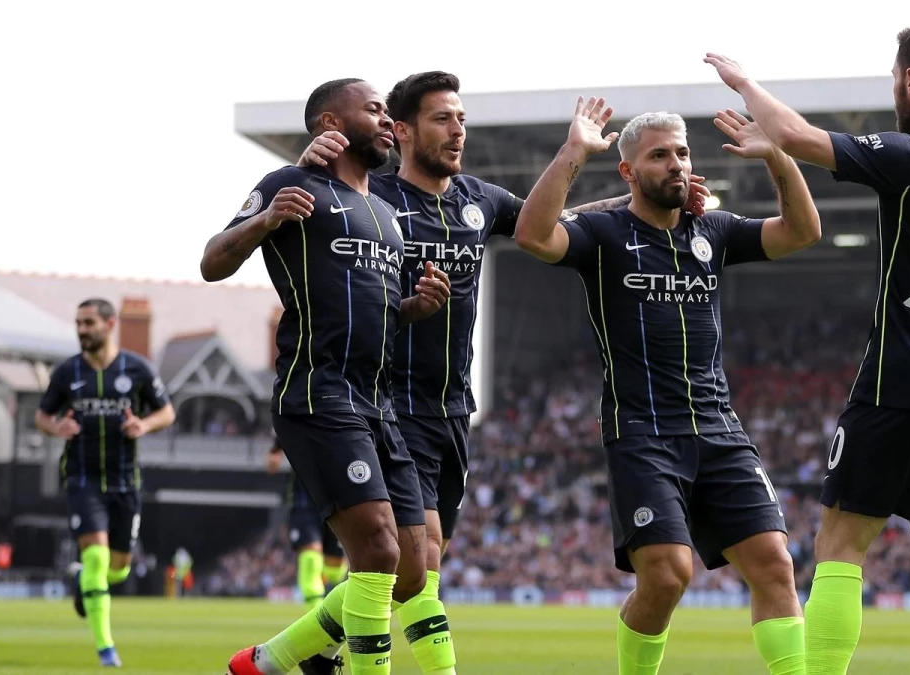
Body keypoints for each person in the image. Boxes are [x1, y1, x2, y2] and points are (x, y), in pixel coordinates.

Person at [295, 70, 710, 675]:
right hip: (388, 400)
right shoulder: (370, 198)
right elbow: (313, 227)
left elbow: (553, 223)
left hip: (453, 410)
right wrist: (311, 164)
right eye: (443, 118)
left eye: (462, 118)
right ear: (402, 130)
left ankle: (287, 656)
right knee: (418, 560)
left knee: (413, 567)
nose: (458, 129)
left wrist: (643, 202)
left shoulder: (478, 200)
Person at [704, 20, 910, 675]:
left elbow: (797, 136)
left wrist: (742, 82)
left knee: (842, 544)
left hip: (901, 378)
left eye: (894, 76)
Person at [513, 96, 821, 674]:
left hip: (719, 429)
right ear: (628, 171)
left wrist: (777, 153)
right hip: (644, 434)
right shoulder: (602, 234)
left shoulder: (714, 230)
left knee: (775, 564)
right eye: (659, 156)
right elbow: (533, 234)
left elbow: (803, 231)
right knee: (667, 575)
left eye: (682, 153)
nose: (677, 164)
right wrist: (575, 150)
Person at [200, 77, 451, 675]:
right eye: (374, 110)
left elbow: (376, 311)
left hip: (379, 405)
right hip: (319, 394)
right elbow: (211, 261)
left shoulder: (387, 214)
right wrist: (262, 224)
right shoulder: (291, 185)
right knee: (379, 552)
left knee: (414, 570)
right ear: (328, 124)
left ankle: (270, 662)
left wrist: (413, 307)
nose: (388, 121)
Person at [36, 297, 176, 667]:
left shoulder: (138, 369)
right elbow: (42, 415)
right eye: (78, 323)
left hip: (125, 481)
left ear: (110, 324)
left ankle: (84, 579)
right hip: (82, 478)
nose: (82, 330)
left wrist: (143, 425)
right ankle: (106, 649)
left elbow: (167, 411)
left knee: (119, 568)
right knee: (96, 554)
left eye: (88, 323)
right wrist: (56, 427)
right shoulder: (67, 373)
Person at [267, 438, 348, 608]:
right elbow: (281, 433)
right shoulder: (300, 416)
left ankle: (323, 582)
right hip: (304, 502)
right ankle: (317, 616)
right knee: (311, 558)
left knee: (334, 571)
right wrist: (275, 452)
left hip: (337, 499)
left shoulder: (345, 417)